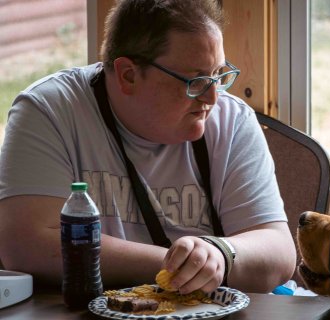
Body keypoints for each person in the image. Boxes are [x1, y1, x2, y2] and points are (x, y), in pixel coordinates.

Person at [0, 0, 296, 295]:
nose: (212, 99)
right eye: (195, 81)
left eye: (218, 76)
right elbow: (26, 245)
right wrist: (183, 265)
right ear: (128, 74)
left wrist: (219, 253)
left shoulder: (232, 120)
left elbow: (279, 251)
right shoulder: (50, 111)